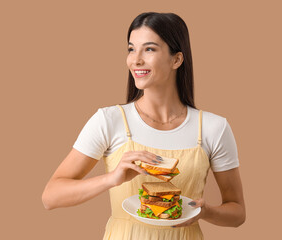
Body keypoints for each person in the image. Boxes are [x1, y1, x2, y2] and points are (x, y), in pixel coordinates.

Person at [42, 12, 245, 239]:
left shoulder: (213, 127)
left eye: (149, 49)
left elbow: (237, 211)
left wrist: (206, 212)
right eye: (131, 49)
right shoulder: (109, 120)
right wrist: (112, 178)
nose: (135, 60)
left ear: (177, 59)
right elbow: (51, 196)